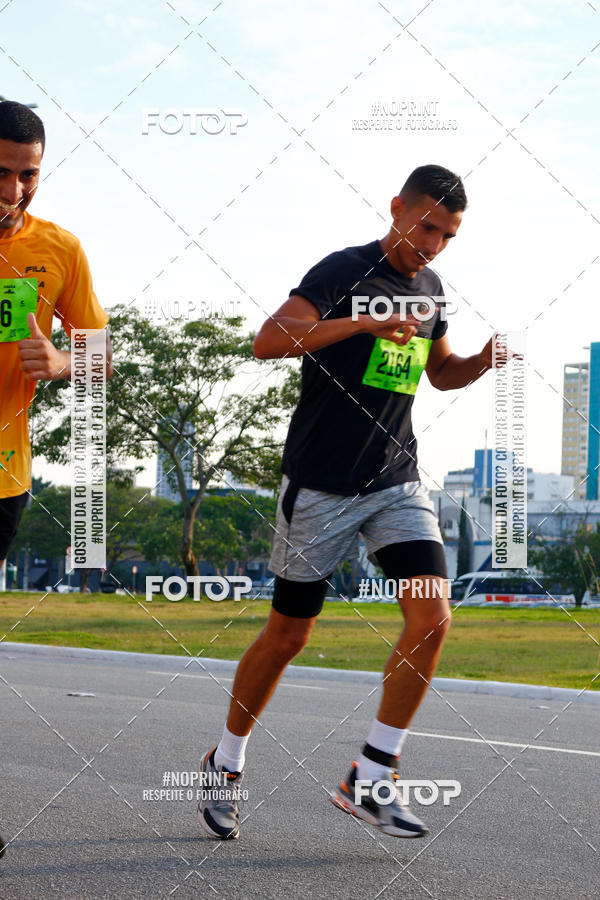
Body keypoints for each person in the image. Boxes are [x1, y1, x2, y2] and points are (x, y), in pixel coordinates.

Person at [198, 164, 506, 841]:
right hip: (322, 486)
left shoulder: (430, 288)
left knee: (432, 616)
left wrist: (480, 362)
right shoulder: (342, 272)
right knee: (289, 636)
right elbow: (269, 340)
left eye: (448, 235)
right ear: (397, 209)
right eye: (427, 226)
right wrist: (362, 322)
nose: (433, 245)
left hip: (395, 481)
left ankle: (371, 775)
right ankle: (224, 763)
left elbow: (439, 371)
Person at [0, 100, 112, 577]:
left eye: (28, 175)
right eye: (1, 172)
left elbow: (101, 357)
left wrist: (62, 362)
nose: (13, 191)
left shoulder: (60, 249)